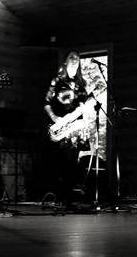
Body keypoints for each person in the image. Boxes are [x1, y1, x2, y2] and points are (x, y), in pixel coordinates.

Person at [43, 50, 92, 208]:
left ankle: (69, 198)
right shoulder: (57, 80)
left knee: (73, 163)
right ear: (65, 61)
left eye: (77, 58)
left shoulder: (82, 83)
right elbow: (46, 102)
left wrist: (86, 107)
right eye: (71, 57)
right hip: (60, 126)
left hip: (76, 128)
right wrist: (55, 118)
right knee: (60, 162)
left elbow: (85, 105)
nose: (75, 60)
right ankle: (60, 196)